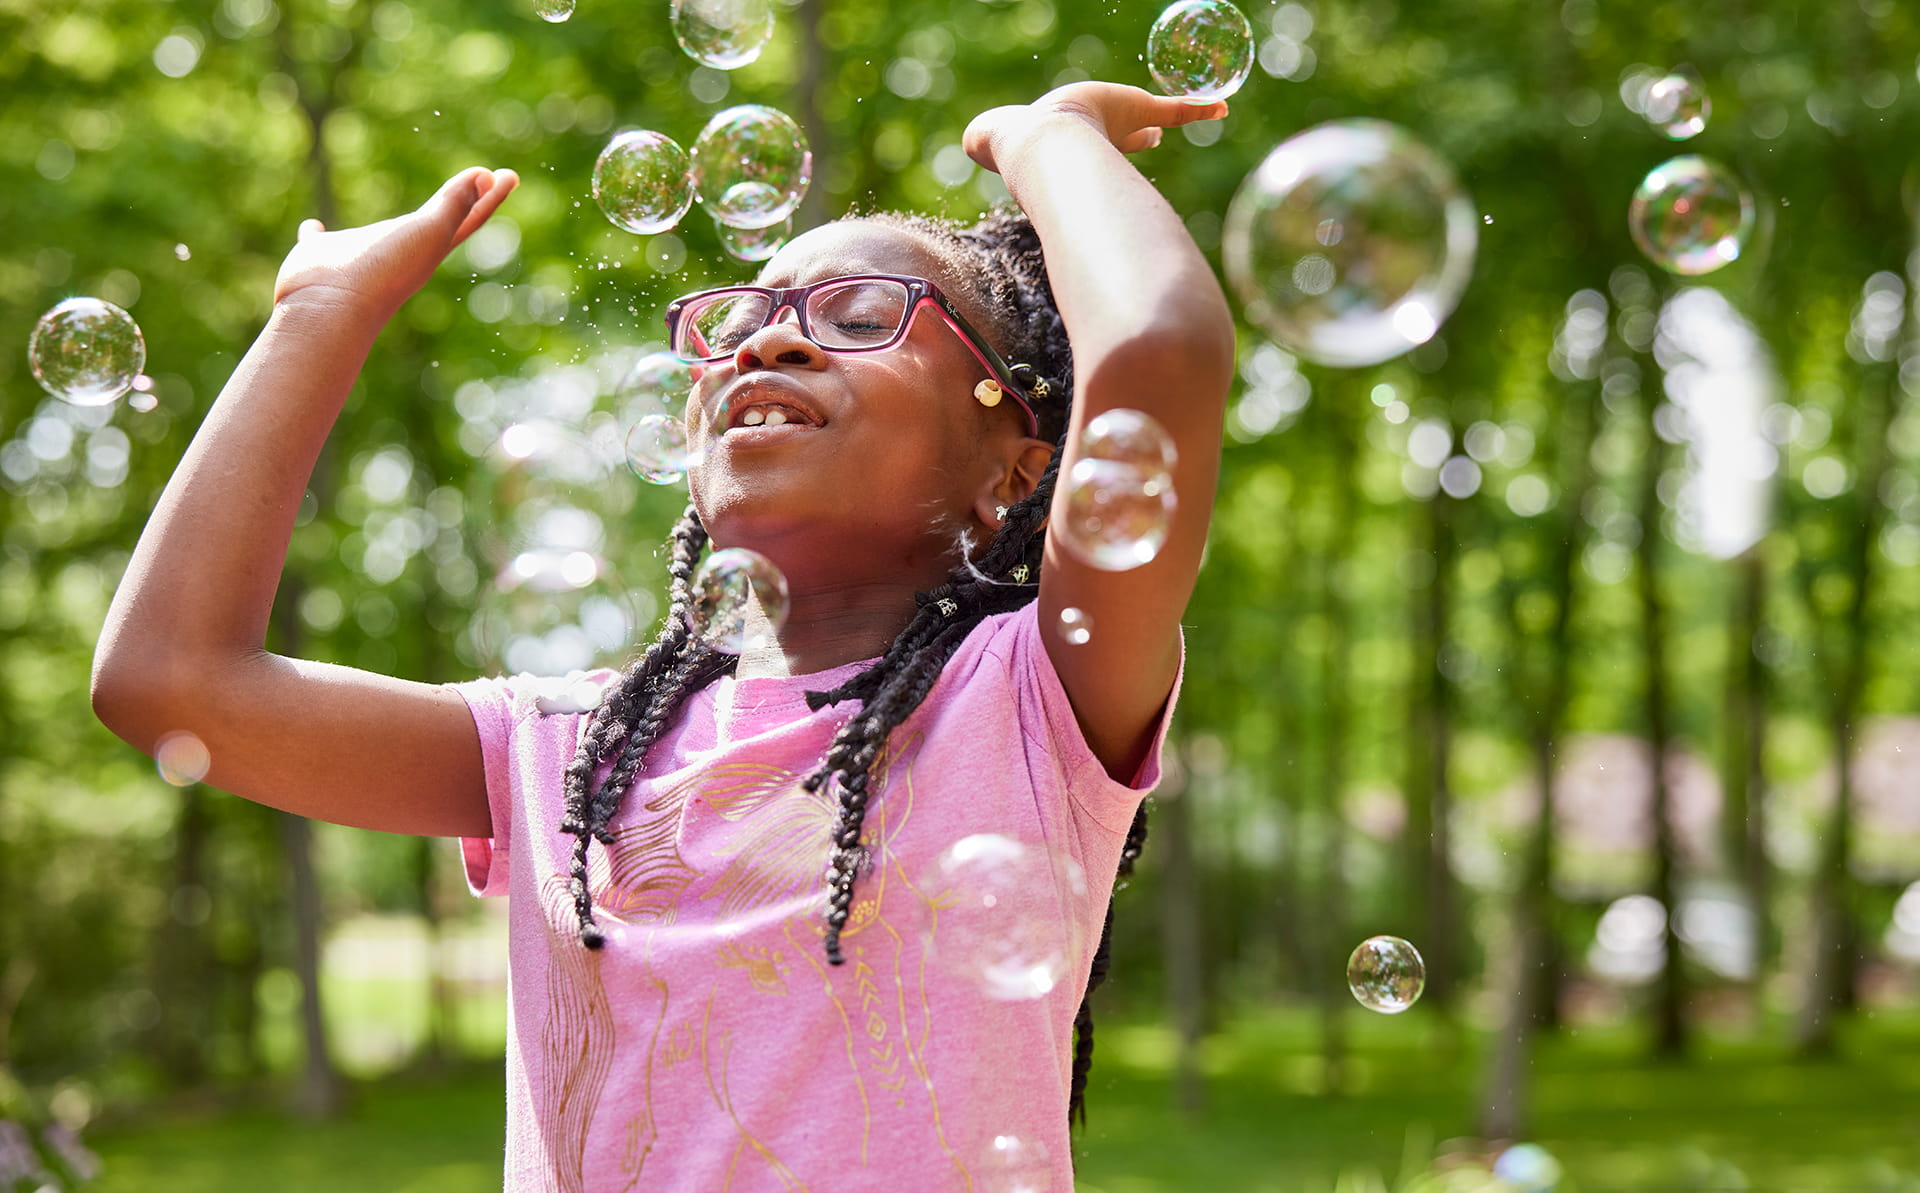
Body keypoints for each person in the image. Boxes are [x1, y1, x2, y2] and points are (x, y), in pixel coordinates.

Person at [92, 80, 1234, 1189]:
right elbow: (170, 681)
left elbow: (1158, 354)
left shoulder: (1028, 703)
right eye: (744, 319)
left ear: (1015, 471)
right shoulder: (561, 753)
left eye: (861, 315)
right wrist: (320, 312)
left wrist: (1048, 138)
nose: (765, 345)